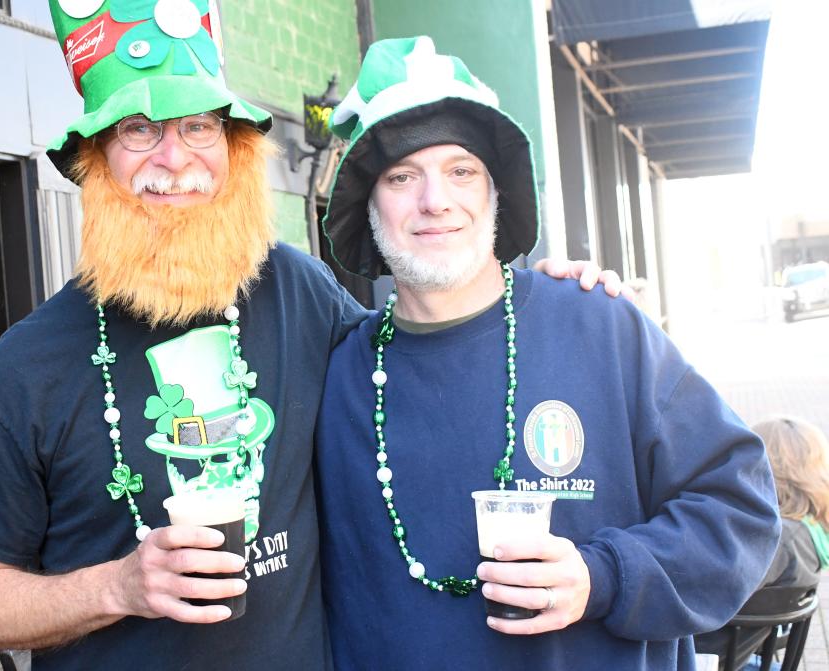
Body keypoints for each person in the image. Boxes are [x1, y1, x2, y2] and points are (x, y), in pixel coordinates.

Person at [0, 5, 620, 668]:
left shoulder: (297, 290)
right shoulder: (23, 367)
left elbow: (417, 355)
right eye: (138, 130)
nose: (175, 159)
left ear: (232, 151)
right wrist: (118, 586)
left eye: (199, 126)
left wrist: (536, 297)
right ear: (96, 159)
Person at [314, 36, 781, 671]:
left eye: (461, 170)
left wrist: (602, 578)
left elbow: (740, 510)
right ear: (368, 207)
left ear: (495, 192)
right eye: (401, 177)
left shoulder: (599, 325)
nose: (435, 201)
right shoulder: (336, 376)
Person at [695, 416, 829, 670]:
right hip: (745, 653)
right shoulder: (810, 531)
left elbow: (706, 592)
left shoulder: (775, 540)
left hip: (707, 658)